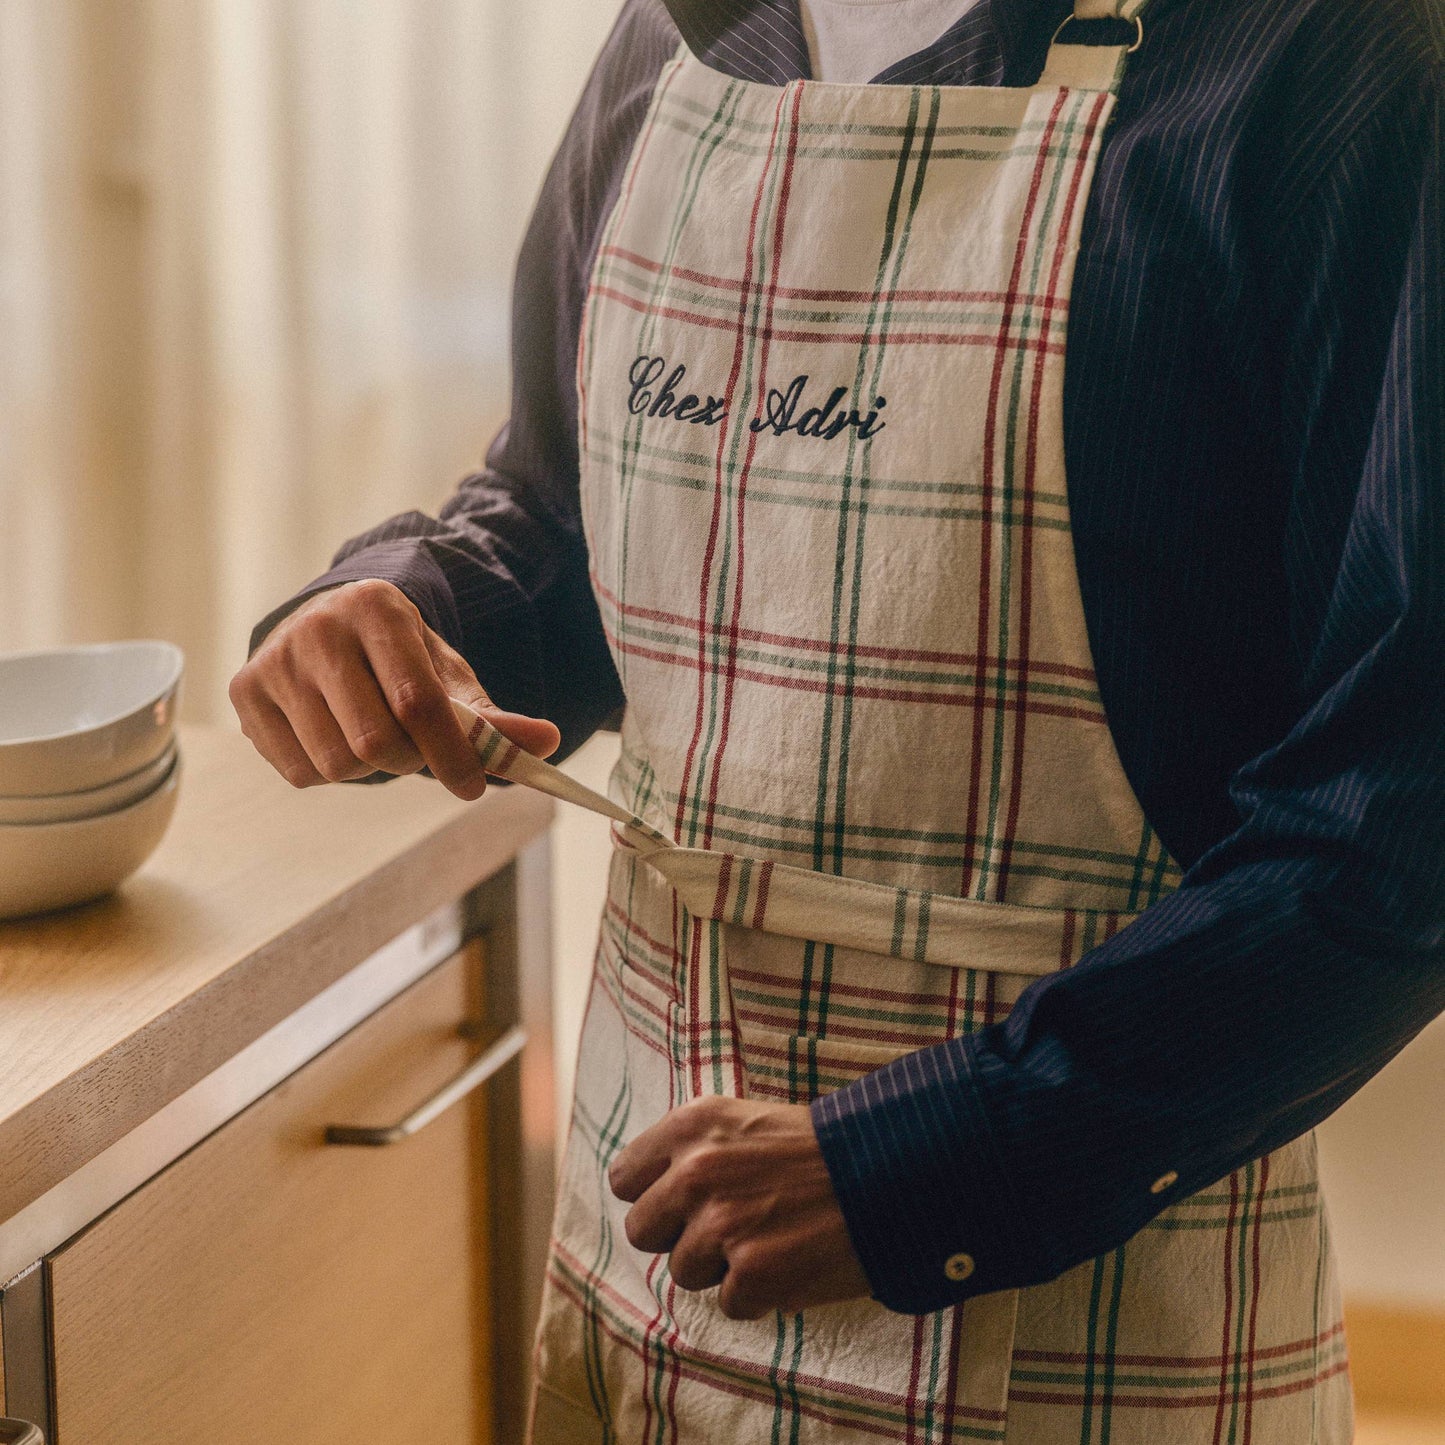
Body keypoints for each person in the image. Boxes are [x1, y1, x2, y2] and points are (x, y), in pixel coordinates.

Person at [233, 0, 1444, 1438]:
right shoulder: (678, 39)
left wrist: (934, 1157)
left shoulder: (1340, 64)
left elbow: (1400, 818)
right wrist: (403, 611)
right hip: (643, 1277)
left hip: (1082, 1305)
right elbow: (557, 524)